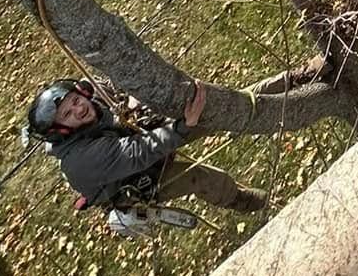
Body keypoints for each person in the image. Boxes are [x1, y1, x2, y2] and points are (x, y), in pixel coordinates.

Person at [26, 77, 266, 215]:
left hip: (134, 138)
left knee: (210, 113)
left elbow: (112, 81)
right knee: (199, 177)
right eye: (68, 114)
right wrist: (183, 127)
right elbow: (140, 152)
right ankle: (241, 201)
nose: (79, 109)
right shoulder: (80, 160)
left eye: (76, 100)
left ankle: (274, 90)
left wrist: (131, 94)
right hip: (134, 179)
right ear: (61, 130)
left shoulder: (92, 94)